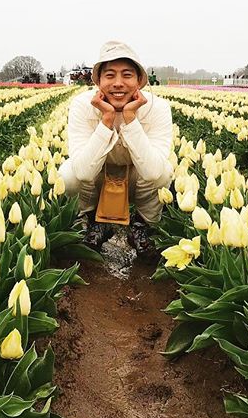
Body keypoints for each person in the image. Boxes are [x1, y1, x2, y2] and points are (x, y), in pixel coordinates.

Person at [59, 41, 173, 260]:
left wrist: (130, 119)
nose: (118, 83)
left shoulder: (157, 108)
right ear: (98, 81)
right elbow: (83, 172)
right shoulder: (82, 105)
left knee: (164, 172)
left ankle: (142, 226)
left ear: (139, 80)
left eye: (127, 75)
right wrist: (107, 120)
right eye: (110, 75)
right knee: (68, 176)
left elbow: (152, 173)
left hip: (137, 177)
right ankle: (91, 223)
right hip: (98, 175)